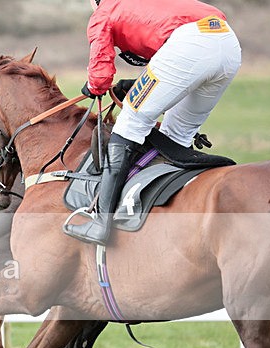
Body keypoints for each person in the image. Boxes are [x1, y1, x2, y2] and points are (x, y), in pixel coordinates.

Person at [63, 0, 242, 246]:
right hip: (226, 41)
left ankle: (100, 222)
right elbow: (169, 64)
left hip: (191, 44)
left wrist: (94, 87)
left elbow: (101, 75)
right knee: (177, 133)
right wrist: (135, 86)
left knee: (129, 123)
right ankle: (178, 205)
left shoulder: (104, 11)